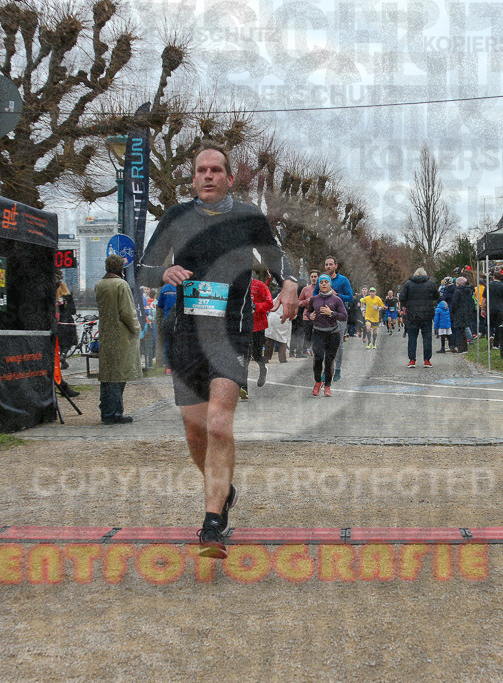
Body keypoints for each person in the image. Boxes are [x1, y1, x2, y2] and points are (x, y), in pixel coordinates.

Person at [136, 142, 298, 557]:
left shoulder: (247, 216)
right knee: (195, 429)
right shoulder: (176, 216)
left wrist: (291, 284)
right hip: (185, 334)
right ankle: (223, 491)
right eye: (200, 170)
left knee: (219, 423)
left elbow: (279, 258)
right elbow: (144, 268)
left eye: (215, 170)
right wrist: (163, 271)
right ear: (193, 177)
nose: (207, 176)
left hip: (232, 331)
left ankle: (212, 523)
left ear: (228, 177)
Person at [94, 255, 141, 425]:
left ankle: (106, 410)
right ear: (121, 268)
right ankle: (114, 413)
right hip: (121, 335)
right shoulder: (121, 285)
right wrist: (137, 329)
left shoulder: (100, 284)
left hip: (106, 334)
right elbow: (127, 312)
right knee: (119, 374)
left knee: (107, 375)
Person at [306, 274, 347, 397]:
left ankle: (327, 386)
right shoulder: (314, 299)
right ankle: (318, 382)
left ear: (330, 284)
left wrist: (331, 313)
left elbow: (344, 316)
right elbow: (308, 312)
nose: (323, 284)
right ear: (319, 284)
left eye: (326, 282)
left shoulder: (336, 300)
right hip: (318, 333)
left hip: (332, 334)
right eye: (321, 282)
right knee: (318, 359)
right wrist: (310, 316)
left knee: (329, 362)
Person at [399, 267, 438, 367]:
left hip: (412, 314)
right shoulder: (430, 283)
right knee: (427, 338)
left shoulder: (408, 284)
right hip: (427, 314)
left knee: (412, 338)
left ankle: (412, 360)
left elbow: (402, 297)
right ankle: (427, 360)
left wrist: (405, 306)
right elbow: (436, 296)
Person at [322, 256, 353, 381]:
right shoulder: (323, 280)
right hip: (324, 316)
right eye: (326, 264)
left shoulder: (343, 280)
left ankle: (338, 369)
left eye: (330, 264)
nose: (328, 266)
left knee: (338, 344)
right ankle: (327, 369)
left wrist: (337, 295)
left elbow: (350, 297)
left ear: (336, 266)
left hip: (339, 316)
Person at [248, 267, 273, 393]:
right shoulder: (235, 286)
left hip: (258, 325)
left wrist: (256, 306)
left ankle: (263, 368)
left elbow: (270, 304)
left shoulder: (260, 285)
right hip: (242, 325)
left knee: (257, 354)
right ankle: (243, 387)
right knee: (244, 356)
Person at [297, 270, 319, 356]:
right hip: (307, 316)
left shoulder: (322, 288)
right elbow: (299, 302)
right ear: (309, 278)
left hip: (319, 316)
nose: (313, 278)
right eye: (312, 277)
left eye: (315, 277)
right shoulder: (305, 289)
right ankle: (305, 349)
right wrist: (307, 301)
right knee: (307, 334)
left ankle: (316, 349)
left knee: (318, 334)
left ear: (318, 277)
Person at [157, 282, 177, 374]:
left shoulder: (164, 289)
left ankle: (167, 367)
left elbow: (160, 304)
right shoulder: (183, 287)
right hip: (179, 319)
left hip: (167, 318)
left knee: (167, 343)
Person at [264, 299, 291, 363]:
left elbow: (270, 305)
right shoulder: (291, 298)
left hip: (273, 318)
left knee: (270, 339)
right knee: (282, 339)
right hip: (283, 318)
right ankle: (282, 358)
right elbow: (293, 314)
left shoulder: (277, 298)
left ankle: (266, 358)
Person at [486, 271, 503, 347]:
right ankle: (496, 344)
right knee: (499, 325)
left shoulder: (488, 286)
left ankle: (490, 335)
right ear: (501, 277)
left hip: (490, 307)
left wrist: (482, 308)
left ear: (493, 277)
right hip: (500, 308)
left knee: (489, 324)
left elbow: (484, 298)